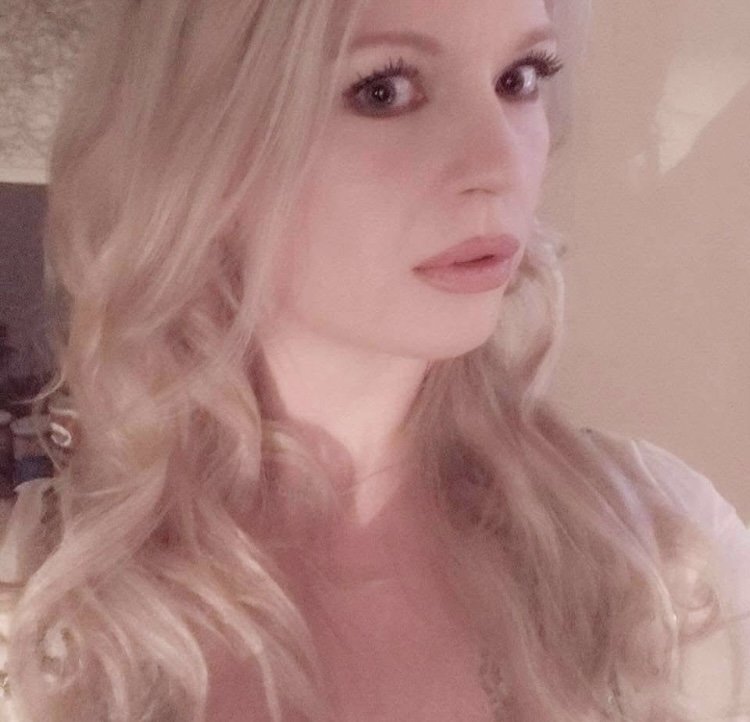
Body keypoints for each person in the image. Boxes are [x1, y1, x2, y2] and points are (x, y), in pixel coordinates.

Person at [0, 0, 748, 720]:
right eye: (383, 91)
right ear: (199, 151)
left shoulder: (667, 552)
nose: (499, 164)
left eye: (519, 78)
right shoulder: (31, 614)